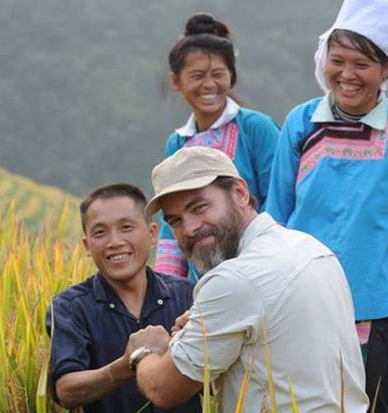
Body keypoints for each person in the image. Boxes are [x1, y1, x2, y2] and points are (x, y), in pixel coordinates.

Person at [264, 1, 388, 411]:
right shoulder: (301, 123)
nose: (346, 74)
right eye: (337, 60)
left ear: (386, 69)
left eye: (361, 64)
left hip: (371, 315)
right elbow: (275, 218)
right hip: (297, 306)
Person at [123, 146, 369, 412]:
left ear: (239, 193)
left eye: (199, 207)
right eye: (176, 220)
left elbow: (163, 388)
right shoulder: (314, 249)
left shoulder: (234, 279)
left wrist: (145, 351)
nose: (190, 228)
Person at [46, 184, 201, 413]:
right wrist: (130, 361)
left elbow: (214, 377)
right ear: (87, 246)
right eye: (100, 232)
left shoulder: (186, 294)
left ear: (152, 233)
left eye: (126, 227)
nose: (115, 241)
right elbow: (66, 391)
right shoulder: (69, 307)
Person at [155, 13, 281, 283]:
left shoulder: (255, 129)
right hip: (199, 284)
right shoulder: (177, 144)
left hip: (259, 274)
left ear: (231, 76)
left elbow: (279, 200)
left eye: (218, 74)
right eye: (197, 76)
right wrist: (167, 288)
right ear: (176, 81)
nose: (209, 85)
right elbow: (170, 225)